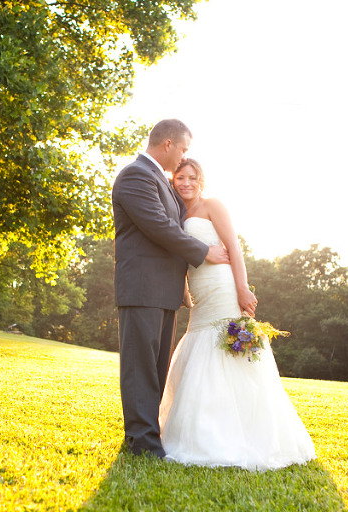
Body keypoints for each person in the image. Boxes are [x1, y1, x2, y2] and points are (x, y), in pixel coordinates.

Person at [159, 158, 316, 471]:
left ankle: (248, 436)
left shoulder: (212, 206)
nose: (186, 183)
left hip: (224, 287)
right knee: (200, 346)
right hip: (201, 296)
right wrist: (184, 289)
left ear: (201, 180)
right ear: (173, 181)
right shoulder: (175, 213)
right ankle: (204, 433)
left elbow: (234, 247)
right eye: (180, 178)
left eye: (192, 177)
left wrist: (243, 289)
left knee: (230, 354)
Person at [112, 120, 230, 458]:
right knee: (140, 367)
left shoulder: (161, 182)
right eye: (182, 149)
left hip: (164, 292)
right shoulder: (135, 176)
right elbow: (159, 227)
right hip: (142, 288)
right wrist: (204, 251)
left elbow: (176, 221)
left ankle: (150, 436)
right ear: (167, 143)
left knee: (156, 369)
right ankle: (142, 444)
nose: (183, 158)